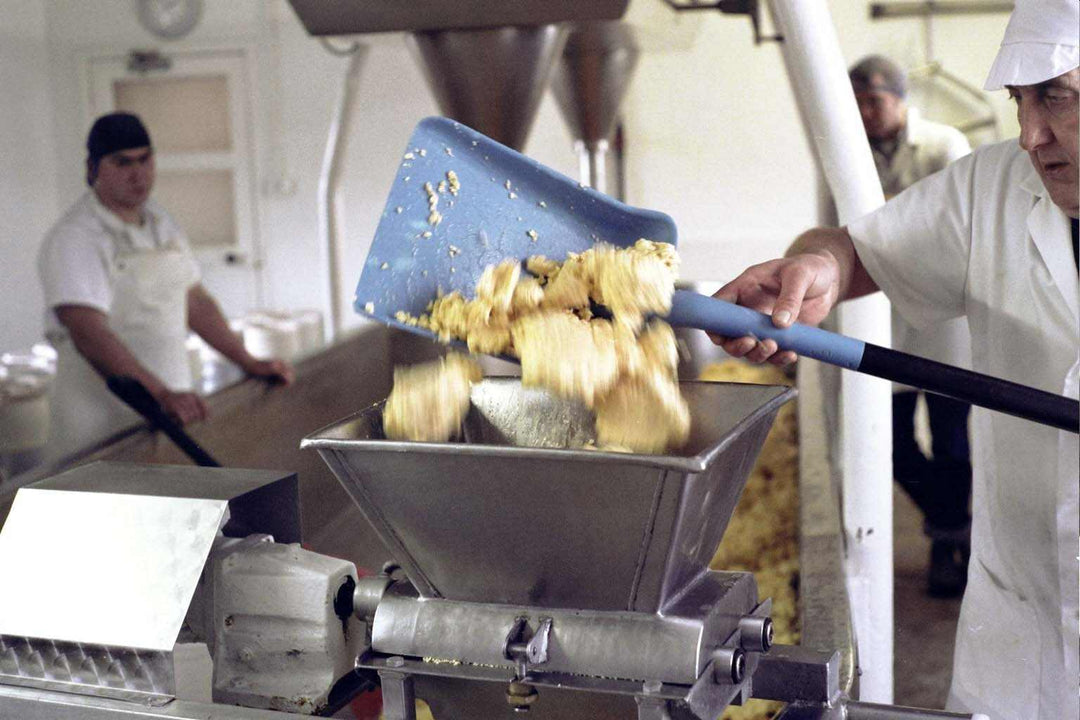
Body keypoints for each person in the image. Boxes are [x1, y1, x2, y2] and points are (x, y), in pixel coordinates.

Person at [712, 0, 1078, 716]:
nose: (1031, 133)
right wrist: (817, 266)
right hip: (1025, 631)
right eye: (1019, 101)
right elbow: (860, 248)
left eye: (1057, 97)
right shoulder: (997, 186)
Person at [38, 112, 293, 444]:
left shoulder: (161, 223)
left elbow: (195, 302)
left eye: (145, 160)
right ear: (93, 168)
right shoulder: (75, 237)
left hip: (169, 408)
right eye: (122, 163)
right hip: (99, 421)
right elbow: (88, 332)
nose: (137, 174)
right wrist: (158, 394)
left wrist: (248, 361)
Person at [849, 54, 975, 598]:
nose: (865, 112)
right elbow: (838, 229)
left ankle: (946, 549)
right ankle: (955, 524)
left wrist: (879, 217)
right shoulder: (845, 150)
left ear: (901, 98)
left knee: (950, 441)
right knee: (894, 444)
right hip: (882, 319)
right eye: (857, 102)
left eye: (874, 100)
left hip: (947, 320)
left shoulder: (945, 145)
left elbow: (955, 223)